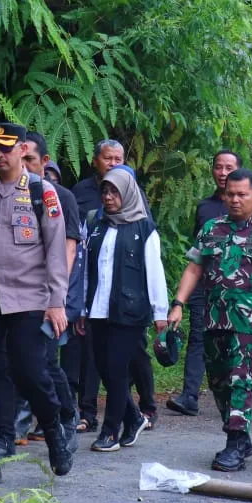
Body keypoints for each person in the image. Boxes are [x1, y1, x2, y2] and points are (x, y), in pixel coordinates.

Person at [168, 169, 252, 471]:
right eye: (230, 194)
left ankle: (235, 443)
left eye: (242, 194)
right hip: (213, 318)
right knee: (218, 381)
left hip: (248, 322)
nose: (235, 200)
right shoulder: (212, 228)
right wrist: (178, 304)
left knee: (241, 379)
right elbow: (193, 268)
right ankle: (241, 435)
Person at [0, 122, 73, 470]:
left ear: (22, 150)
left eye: (5, 148)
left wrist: (56, 302)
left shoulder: (42, 192)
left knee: (30, 372)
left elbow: (57, 251)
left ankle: (55, 433)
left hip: (29, 297)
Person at [167, 151, 252, 417]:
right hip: (208, 293)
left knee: (240, 371)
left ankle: (237, 435)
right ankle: (190, 395)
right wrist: (179, 302)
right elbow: (196, 261)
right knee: (206, 350)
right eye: (218, 167)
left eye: (229, 168)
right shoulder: (207, 212)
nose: (223, 173)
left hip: (246, 304)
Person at [83, 169, 168, 452]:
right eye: (105, 191)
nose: (108, 197)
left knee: (117, 371)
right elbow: (85, 269)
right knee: (105, 369)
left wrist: (160, 313)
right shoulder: (96, 223)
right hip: (98, 309)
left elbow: (155, 271)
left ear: (128, 194)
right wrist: (81, 306)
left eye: (114, 192)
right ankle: (133, 419)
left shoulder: (144, 228)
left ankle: (110, 432)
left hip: (130, 312)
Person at [15, 132, 83, 444]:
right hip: (13, 294)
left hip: (47, 296)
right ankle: (14, 425)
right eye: (21, 158)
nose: (24, 166)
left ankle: (66, 417)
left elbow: (66, 251)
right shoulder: (7, 192)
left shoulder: (59, 196)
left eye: (30, 160)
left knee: (45, 363)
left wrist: (55, 299)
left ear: (44, 161)